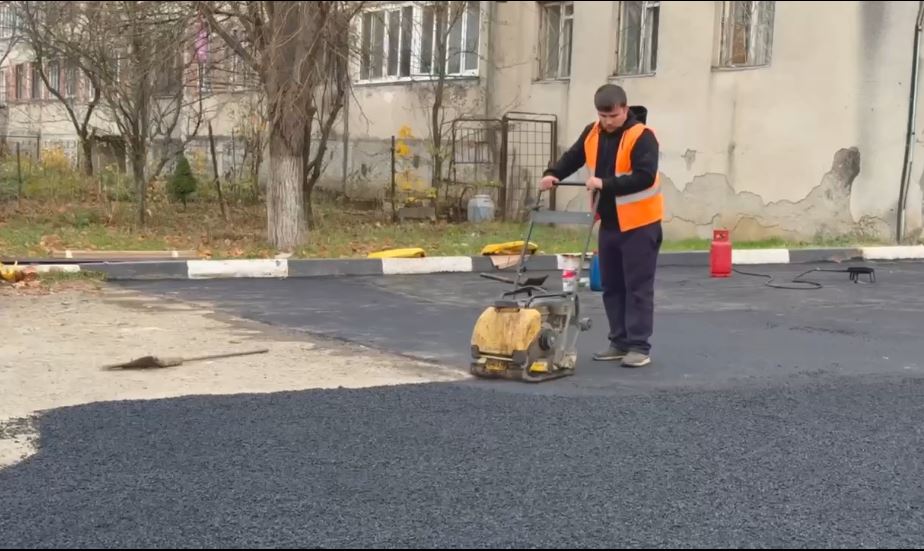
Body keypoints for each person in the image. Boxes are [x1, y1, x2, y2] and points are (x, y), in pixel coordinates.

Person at [539, 84, 663, 368]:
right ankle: (618, 341)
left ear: (625, 109)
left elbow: (644, 177)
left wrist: (604, 184)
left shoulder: (642, 136)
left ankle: (639, 346)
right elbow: (574, 156)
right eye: (602, 116)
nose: (607, 121)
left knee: (637, 287)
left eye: (613, 116)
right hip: (609, 222)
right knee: (611, 285)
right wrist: (553, 174)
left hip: (640, 225)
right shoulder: (593, 132)